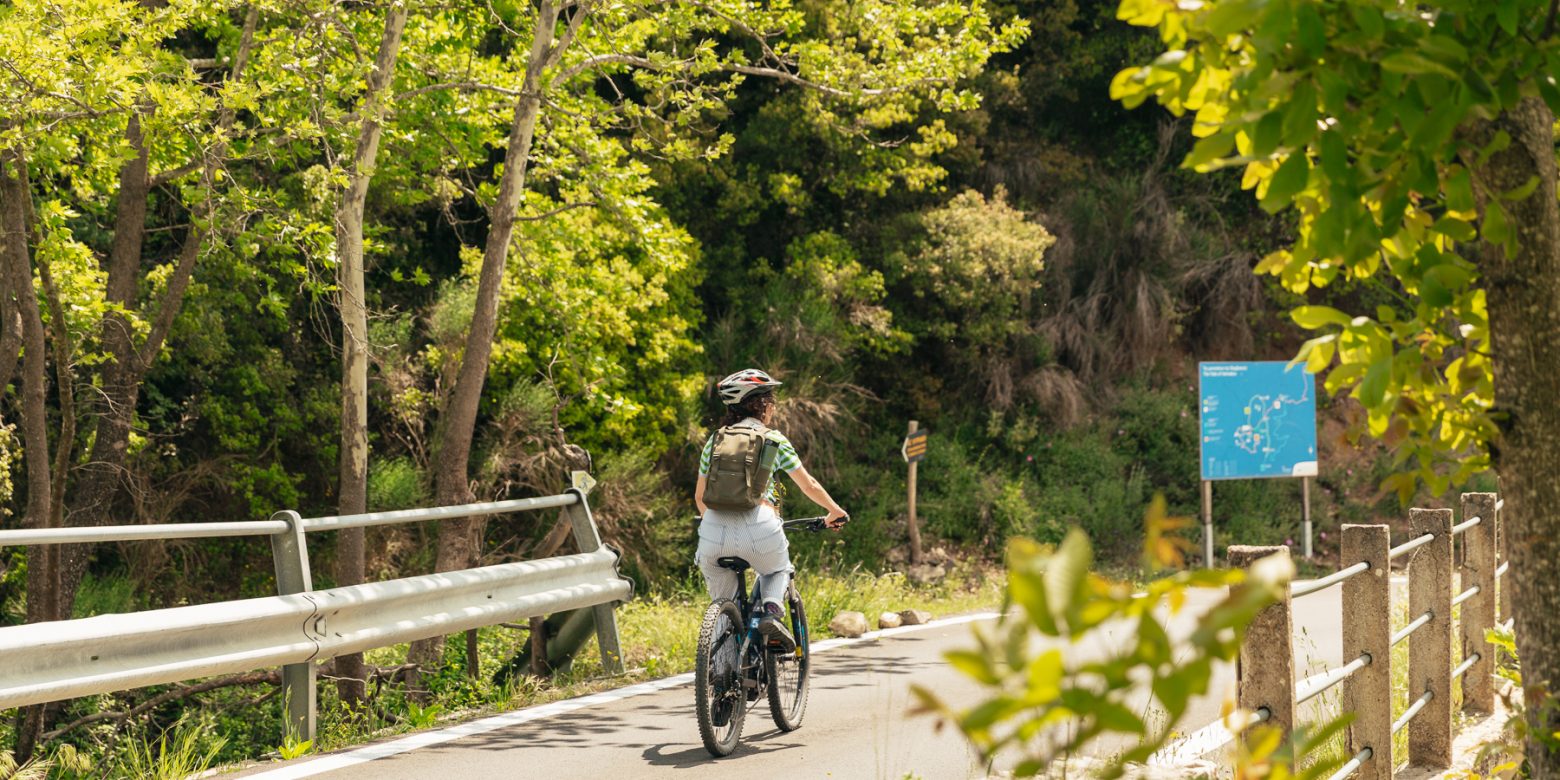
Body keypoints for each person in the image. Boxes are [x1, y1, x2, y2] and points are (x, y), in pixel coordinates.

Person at [695, 369, 847, 650]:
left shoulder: (714, 441)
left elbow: (700, 497)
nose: (773, 407)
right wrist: (835, 511)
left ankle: (721, 682)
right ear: (761, 405)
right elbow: (809, 485)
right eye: (771, 401)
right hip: (760, 525)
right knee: (777, 571)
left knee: (724, 612)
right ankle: (772, 614)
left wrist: (720, 524)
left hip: (713, 532)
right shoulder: (773, 440)